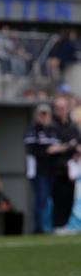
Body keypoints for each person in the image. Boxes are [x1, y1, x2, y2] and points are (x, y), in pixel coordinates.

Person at [24, 104, 64, 234]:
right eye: (41, 114)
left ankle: (49, 226)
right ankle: (39, 228)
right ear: (37, 115)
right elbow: (31, 150)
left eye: (46, 114)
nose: (44, 117)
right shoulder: (32, 130)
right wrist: (48, 151)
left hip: (53, 171)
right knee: (40, 200)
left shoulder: (54, 130)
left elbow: (61, 148)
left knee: (50, 201)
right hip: (39, 172)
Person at [52, 96, 81, 234]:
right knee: (58, 198)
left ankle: (64, 225)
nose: (61, 111)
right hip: (56, 169)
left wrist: (74, 150)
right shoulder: (52, 126)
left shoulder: (72, 126)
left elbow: (77, 143)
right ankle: (57, 225)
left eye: (63, 108)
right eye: (59, 108)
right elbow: (52, 148)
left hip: (71, 169)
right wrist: (70, 146)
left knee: (69, 197)